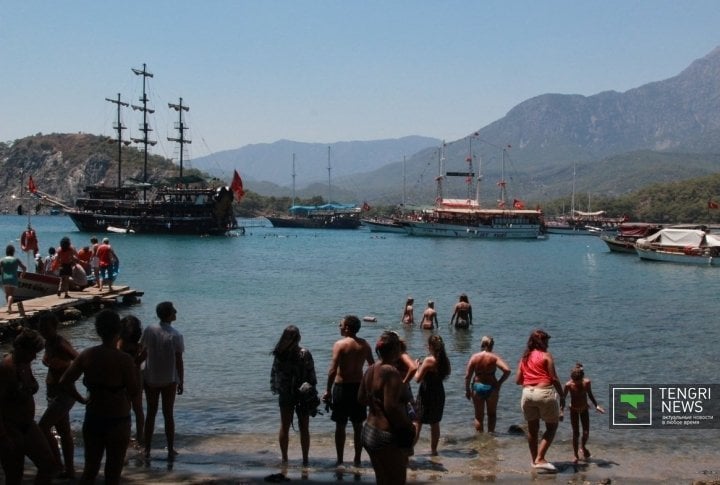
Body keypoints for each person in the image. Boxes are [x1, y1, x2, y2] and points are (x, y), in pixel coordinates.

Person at [60, 309, 140, 484]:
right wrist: (137, 366)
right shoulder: (124, 359)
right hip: (118, 418)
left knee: (90, 470)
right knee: (113, 472)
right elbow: (134, 391)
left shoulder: (87, 354)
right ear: (118, 331)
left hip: (94, 414)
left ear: (97, 331)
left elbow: (65, 381)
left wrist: (81, 399)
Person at [0, 328, 57, 485]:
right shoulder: (6, 368)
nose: (34, 356)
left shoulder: (25, 363)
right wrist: (3, 437)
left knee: (48, 465)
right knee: (14, 475)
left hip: (28, 425)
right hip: (11, 428)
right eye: (32, 352)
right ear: (20, 348)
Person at [358, 331, 415, 485]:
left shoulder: (370, 369)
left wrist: (376, 404)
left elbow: (361, 398)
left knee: (382, 479)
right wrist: (409, 426)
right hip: (385, 435)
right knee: (397, 480)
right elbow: (391, 407)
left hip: (369, 431)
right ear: (396, 349)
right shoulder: (391, 372)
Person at [321, 315, 374, 466]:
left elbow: (332, 370)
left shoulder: (340, 344)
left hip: (342, 388)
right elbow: (372, 366)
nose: (339, 327)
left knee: (340, 425)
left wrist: (327, 390)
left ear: (347, 328)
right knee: (358, 426)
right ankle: (357, 459)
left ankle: (340, 460)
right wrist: (368, 387)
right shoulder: (365, 344)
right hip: (358, 388)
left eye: (340, 325)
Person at [37, 311, 81, 479]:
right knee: (63, 432)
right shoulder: (48, 342)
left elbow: (79, 360)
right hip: (53, 393)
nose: (43, 331)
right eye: (41, 328)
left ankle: (56, 464)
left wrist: (64, 368)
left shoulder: (60, 342)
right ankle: (68, 469)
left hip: (63, 394)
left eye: (46, 328)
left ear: (55, 327)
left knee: (43, 427)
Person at [515, 329, 564, 472]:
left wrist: (531, 378)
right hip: (544, 393)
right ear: (540, 342)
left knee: (532, 430)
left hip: (527, 394)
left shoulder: (524, 357)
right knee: (552, 427)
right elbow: (553, 378)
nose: (547, 344)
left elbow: (518, 380)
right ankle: (540, 458)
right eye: (546, 341)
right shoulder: (546, 356)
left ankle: (534, 461)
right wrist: (562, 395)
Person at [140, 301, 184, 460]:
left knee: (150, 413)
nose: (176, 312)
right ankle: (170, 449)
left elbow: (142, 352)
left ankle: (147, 449)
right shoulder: (176, 335)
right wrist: (181, 381)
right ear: (169, 315)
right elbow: (179, 360)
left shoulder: (149, 330)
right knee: (168, 414)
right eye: (174, 311)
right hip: (169, 378)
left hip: (150, 376)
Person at [270, 325, 317, 465]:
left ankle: (285, 458)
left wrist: (277, 389)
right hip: (303, 394)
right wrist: (313, 391)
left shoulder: (279, 353)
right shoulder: (304, 353)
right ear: (299, 337)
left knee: (284, 426)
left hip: (285, 393)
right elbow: (311, 375)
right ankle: (305, 459)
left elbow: (275, 375)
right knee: (304, 427)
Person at [464, 336, 511, 433]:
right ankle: (491, 436)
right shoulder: (494, 357)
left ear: (482, 344)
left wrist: (467, 390)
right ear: (492, 345)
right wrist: (499, 383)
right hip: (492, 387)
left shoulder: (475, 357)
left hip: (477, 387)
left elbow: (467, 376)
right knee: (492, 414)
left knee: (478, 416)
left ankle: (480, 439)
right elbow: (507, 370)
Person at [414, 334, 451, 455]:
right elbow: (447, 373)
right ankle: (434, 450)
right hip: (439, 392)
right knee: (435, 423)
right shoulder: (444, 359)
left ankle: (410, 449)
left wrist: (417, 367)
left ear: (430, 346)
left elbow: (417, 379)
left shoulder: (429, 360)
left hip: (426, 392)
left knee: (417, 421)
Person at [562, 363, 604, 463]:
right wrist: (561, 411)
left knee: (586, 433)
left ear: (582, 378)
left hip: (584, 408)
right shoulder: (568, 385)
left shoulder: (587, 383)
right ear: (572, 379)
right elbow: (563, 398)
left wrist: (596, 406)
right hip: (574, 410)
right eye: (574, 381)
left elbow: (590, 394)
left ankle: (583, 447)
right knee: (576, 433)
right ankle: (576, 455)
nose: (576, 383)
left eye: (578, 381)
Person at [118, 315, 146, 447]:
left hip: (123, 376)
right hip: (136, 374)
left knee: (125, 408)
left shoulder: (120, 343)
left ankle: (127, 437)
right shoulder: (137, 345)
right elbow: (144, 355)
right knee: (137, 408)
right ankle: (140, 438)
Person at [1, 244, 27, 316]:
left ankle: (9, 307)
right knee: (11, 294)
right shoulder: (16, 259)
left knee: (7, 294)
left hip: (5, 278)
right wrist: (22, 274)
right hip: (13, 278)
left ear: (6, 252)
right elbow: (24, 268)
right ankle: (9, 307)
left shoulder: (2, 259)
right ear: (13, 252)